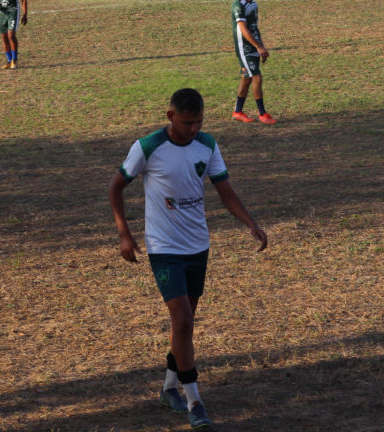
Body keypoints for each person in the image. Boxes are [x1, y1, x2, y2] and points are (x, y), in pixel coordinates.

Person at [108, 88, 267, 431]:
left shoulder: (207, 145)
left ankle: (168, 388)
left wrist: (251, 223)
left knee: (185, 326)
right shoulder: (148, 147)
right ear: (170, 117)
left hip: (198, 247)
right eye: (186, 123)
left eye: (198, 122)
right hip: (164, 249)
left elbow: (225, 191)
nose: (193, 129)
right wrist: (124, 233)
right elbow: (115, 187)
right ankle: (195, 400)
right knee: (181, 320)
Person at [231, 0, 277, 124]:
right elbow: (243, 29)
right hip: (244, 48)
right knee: (257, 77)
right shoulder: (238, 5)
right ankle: (263, 114)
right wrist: (258, 46)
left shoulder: (254, 5)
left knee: (247, 78)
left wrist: (261, 47)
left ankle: (237, 112)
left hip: (255, 47)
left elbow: (254, 28)